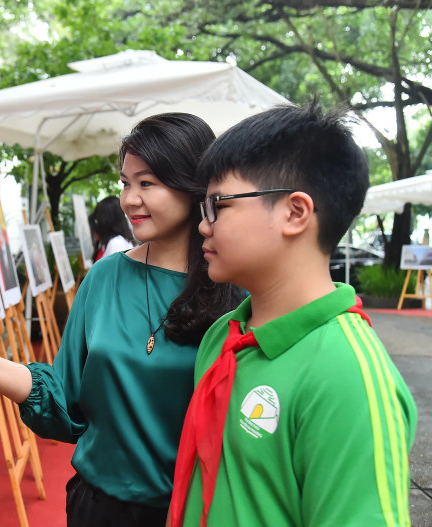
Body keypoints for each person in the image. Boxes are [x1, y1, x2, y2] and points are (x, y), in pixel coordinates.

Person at [0, 114, 246, 526]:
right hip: (98, 508)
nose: (129, 199)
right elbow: (66, 399)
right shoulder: (104, 277)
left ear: (191, 185)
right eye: (125, 183)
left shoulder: (235, 289)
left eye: (147, 183)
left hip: (195, 513)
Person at [169, 102, 418, 527]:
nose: (203, 226)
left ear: (295, 213)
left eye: (218, 205)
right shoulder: (223, 336)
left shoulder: (347, 375)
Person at [89, 195, 136, 262]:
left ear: (106, 221)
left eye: (98, 219)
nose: (97, 224)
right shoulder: (107, 243)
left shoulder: (116, 244)